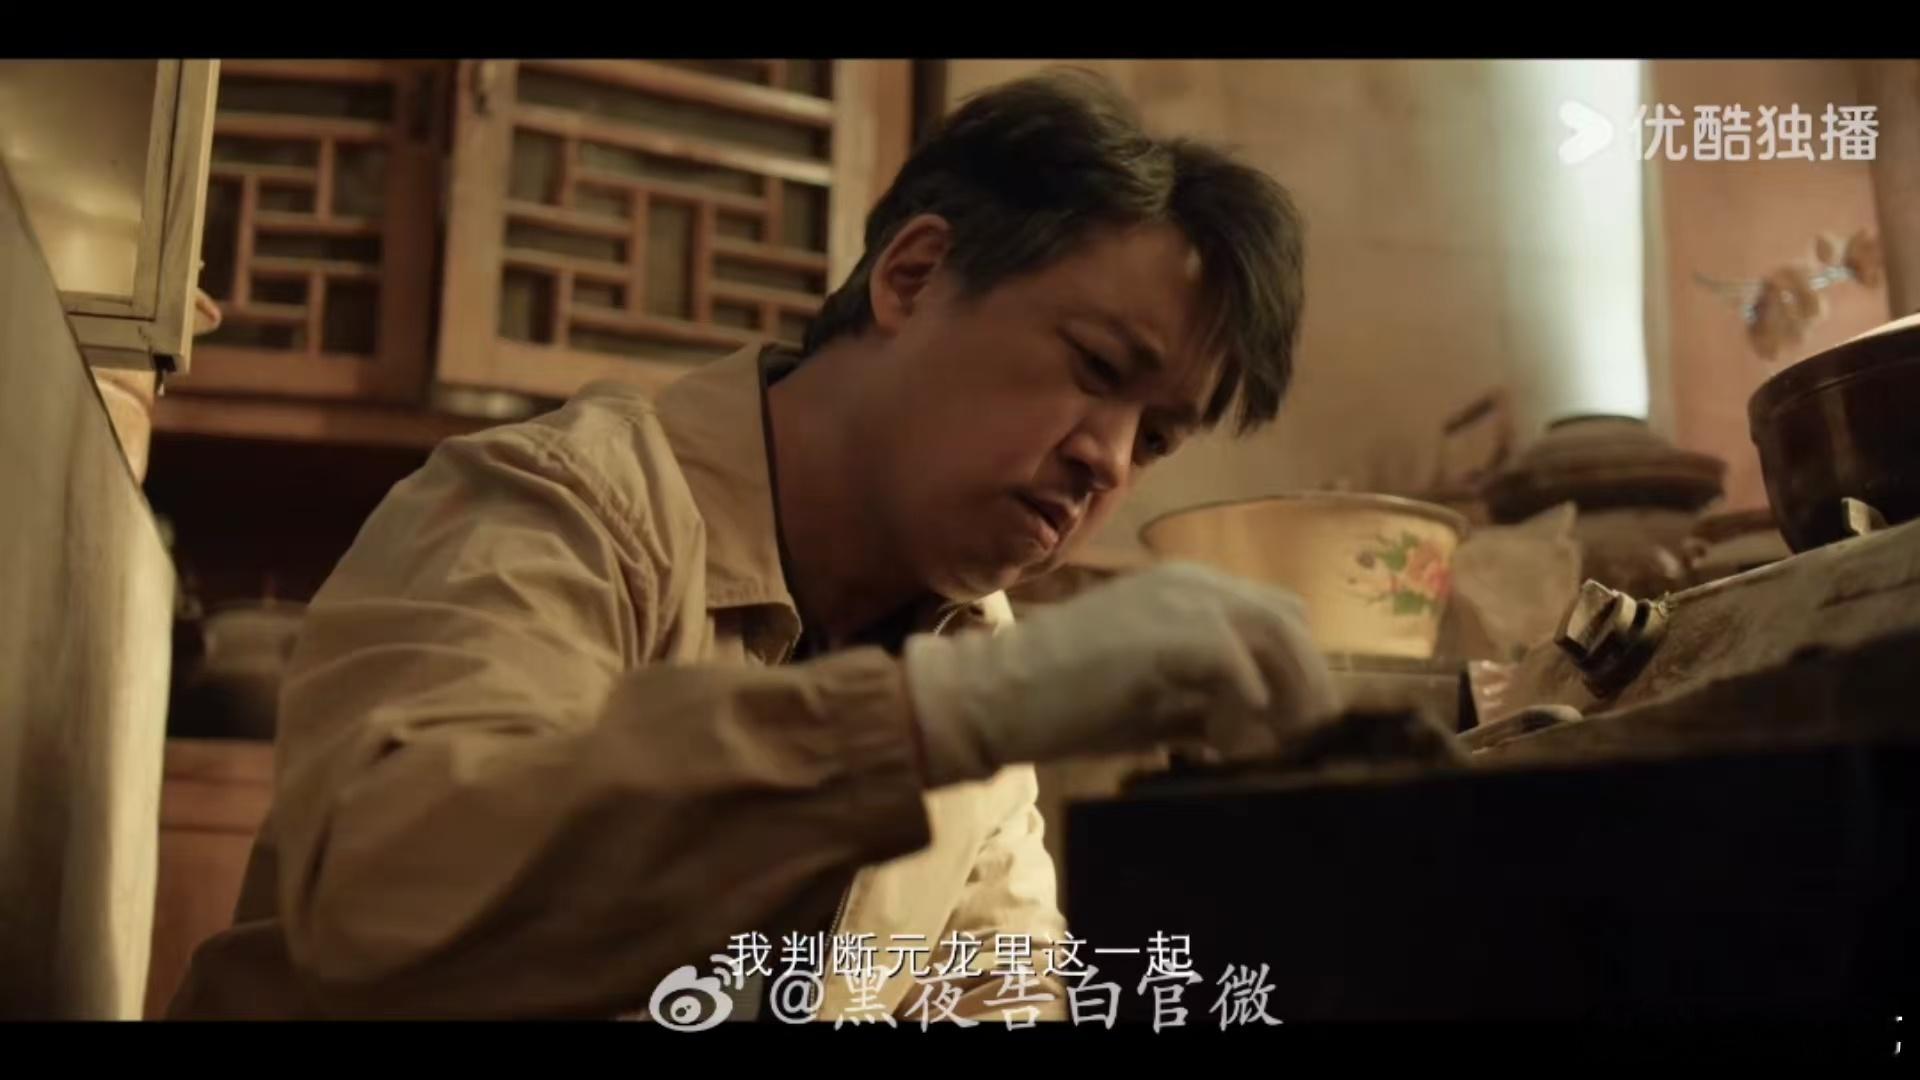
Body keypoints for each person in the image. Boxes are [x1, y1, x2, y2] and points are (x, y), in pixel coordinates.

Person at [167, 67, 1336, 1023]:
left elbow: (1000, 994)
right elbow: (388, 888)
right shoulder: (558, 510)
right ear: (914, 276)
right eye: (1095, 367)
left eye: (1158, 437)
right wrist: (942, 719)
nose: (1109, 462)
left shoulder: (974, 655)